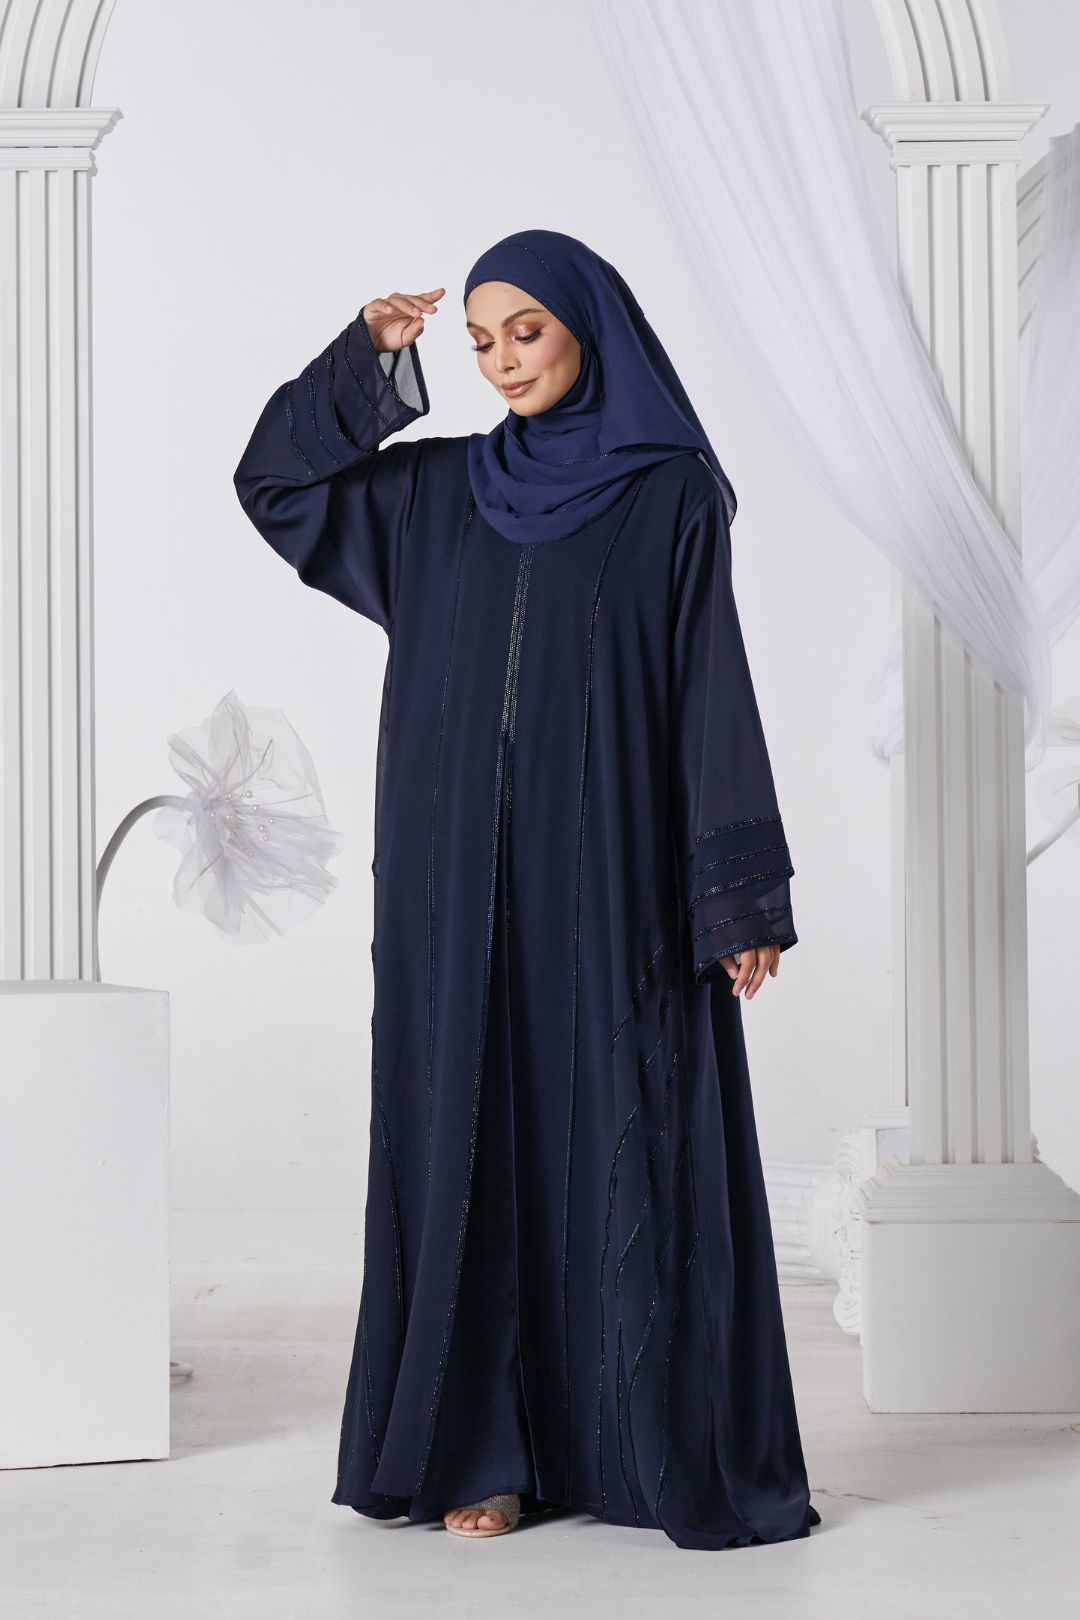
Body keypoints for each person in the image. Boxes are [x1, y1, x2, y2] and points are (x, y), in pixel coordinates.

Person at [232, 228, 821, 1550]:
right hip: (449, 882)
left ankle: (632, 1450)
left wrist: (735, 897)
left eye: (527, 331)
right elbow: (275, 484)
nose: (501, 361)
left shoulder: (668, 493)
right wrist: (362, 367)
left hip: (609, 874)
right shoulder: (435, 493)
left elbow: (709, 685)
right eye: (480, 340)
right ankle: (480, 1454)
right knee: (468, 1130)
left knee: (617, 1126)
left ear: (588, 329)